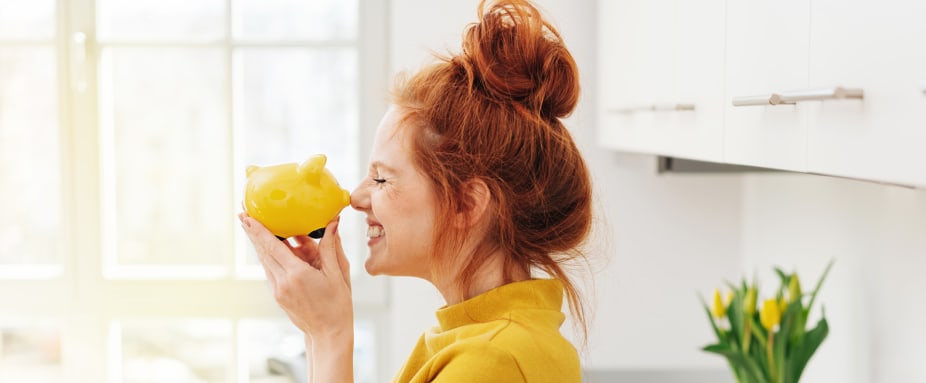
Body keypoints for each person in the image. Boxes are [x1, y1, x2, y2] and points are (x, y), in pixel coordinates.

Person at [238, 0, 593, 381]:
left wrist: (330, 333)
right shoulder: (471, 338)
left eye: (381, 179)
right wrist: (315, 328)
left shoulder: (492, 361)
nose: (356, 198)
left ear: (466, 204)